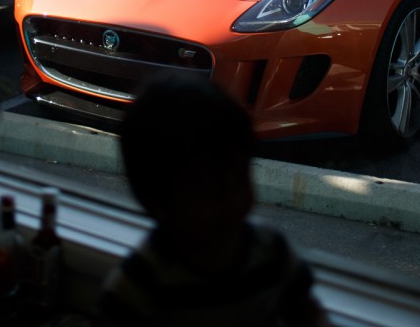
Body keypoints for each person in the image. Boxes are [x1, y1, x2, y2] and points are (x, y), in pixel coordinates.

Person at [97, 73, 331, 327]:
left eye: (241, 176)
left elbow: (307, 312)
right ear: (157, 201)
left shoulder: (272, 250)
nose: (234, 199)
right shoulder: (142, 283)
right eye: (210, 190)